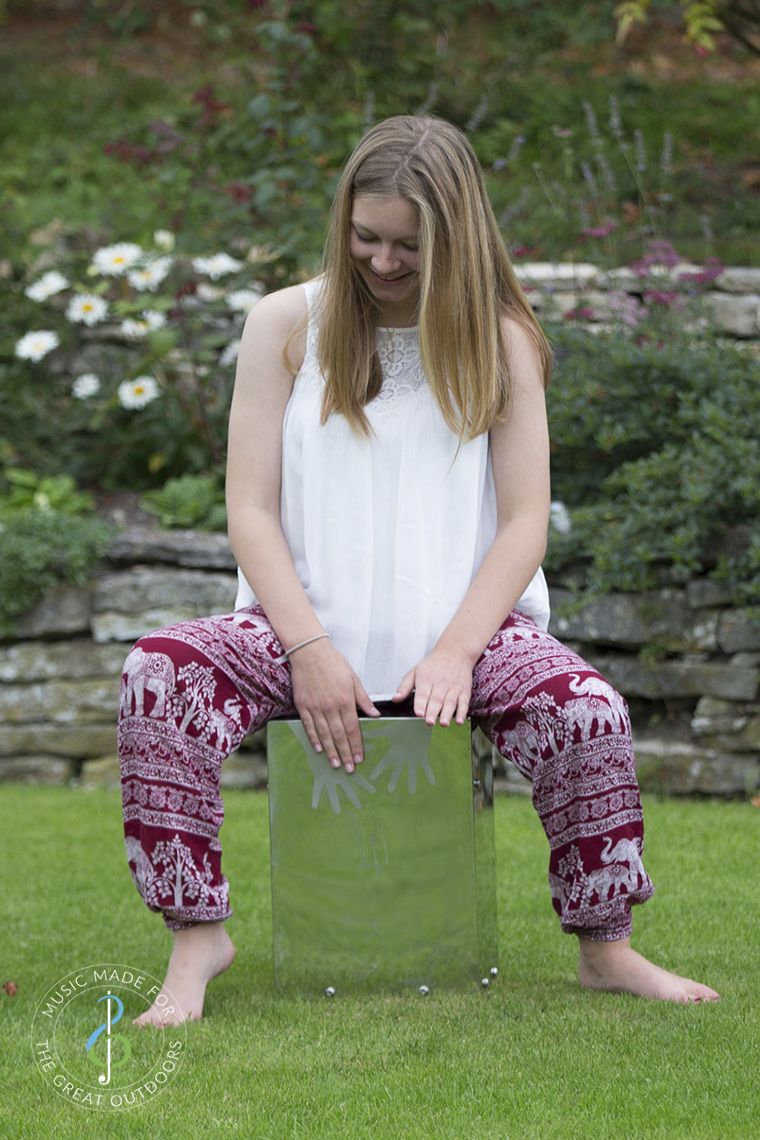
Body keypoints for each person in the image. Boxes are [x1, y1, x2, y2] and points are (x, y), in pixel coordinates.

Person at [118, 114, 719, 1027]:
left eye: (410, 245)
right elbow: (250, 510)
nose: (385, 262)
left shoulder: (502, 340)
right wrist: (309, 645)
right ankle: (198, 938)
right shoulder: (285, 323)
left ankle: (608, 949)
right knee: (158, 671)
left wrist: (456, 652)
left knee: (586, 710)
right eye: (366, 238)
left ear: (457, 237)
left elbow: (523, 524)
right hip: (295, 631)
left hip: (467, 634)